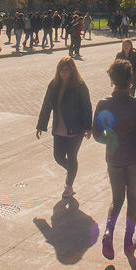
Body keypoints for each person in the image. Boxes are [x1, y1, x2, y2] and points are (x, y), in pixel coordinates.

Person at [93, 58, 136, 259]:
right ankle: (128, 240)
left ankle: (108, 235)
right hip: (135, 157)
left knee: (116, 199)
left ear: (112, 80)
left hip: (114, 157)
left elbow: (97, 134)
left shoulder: (103, 104)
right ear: (131, 81)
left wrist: (111, 141)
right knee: (132, 197)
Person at [36, 57, 94, 198]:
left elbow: (87, 107)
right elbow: (46, 105)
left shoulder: (79, 85)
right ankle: (72, 171)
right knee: (58, 156)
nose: (64, 73)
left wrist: (88, 127)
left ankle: (69, 184)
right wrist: (41, 125)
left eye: (67, 70)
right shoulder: (54, 84)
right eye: (61, 70)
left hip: (75, 128)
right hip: (59, 128)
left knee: (72, 156)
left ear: (72, 70)